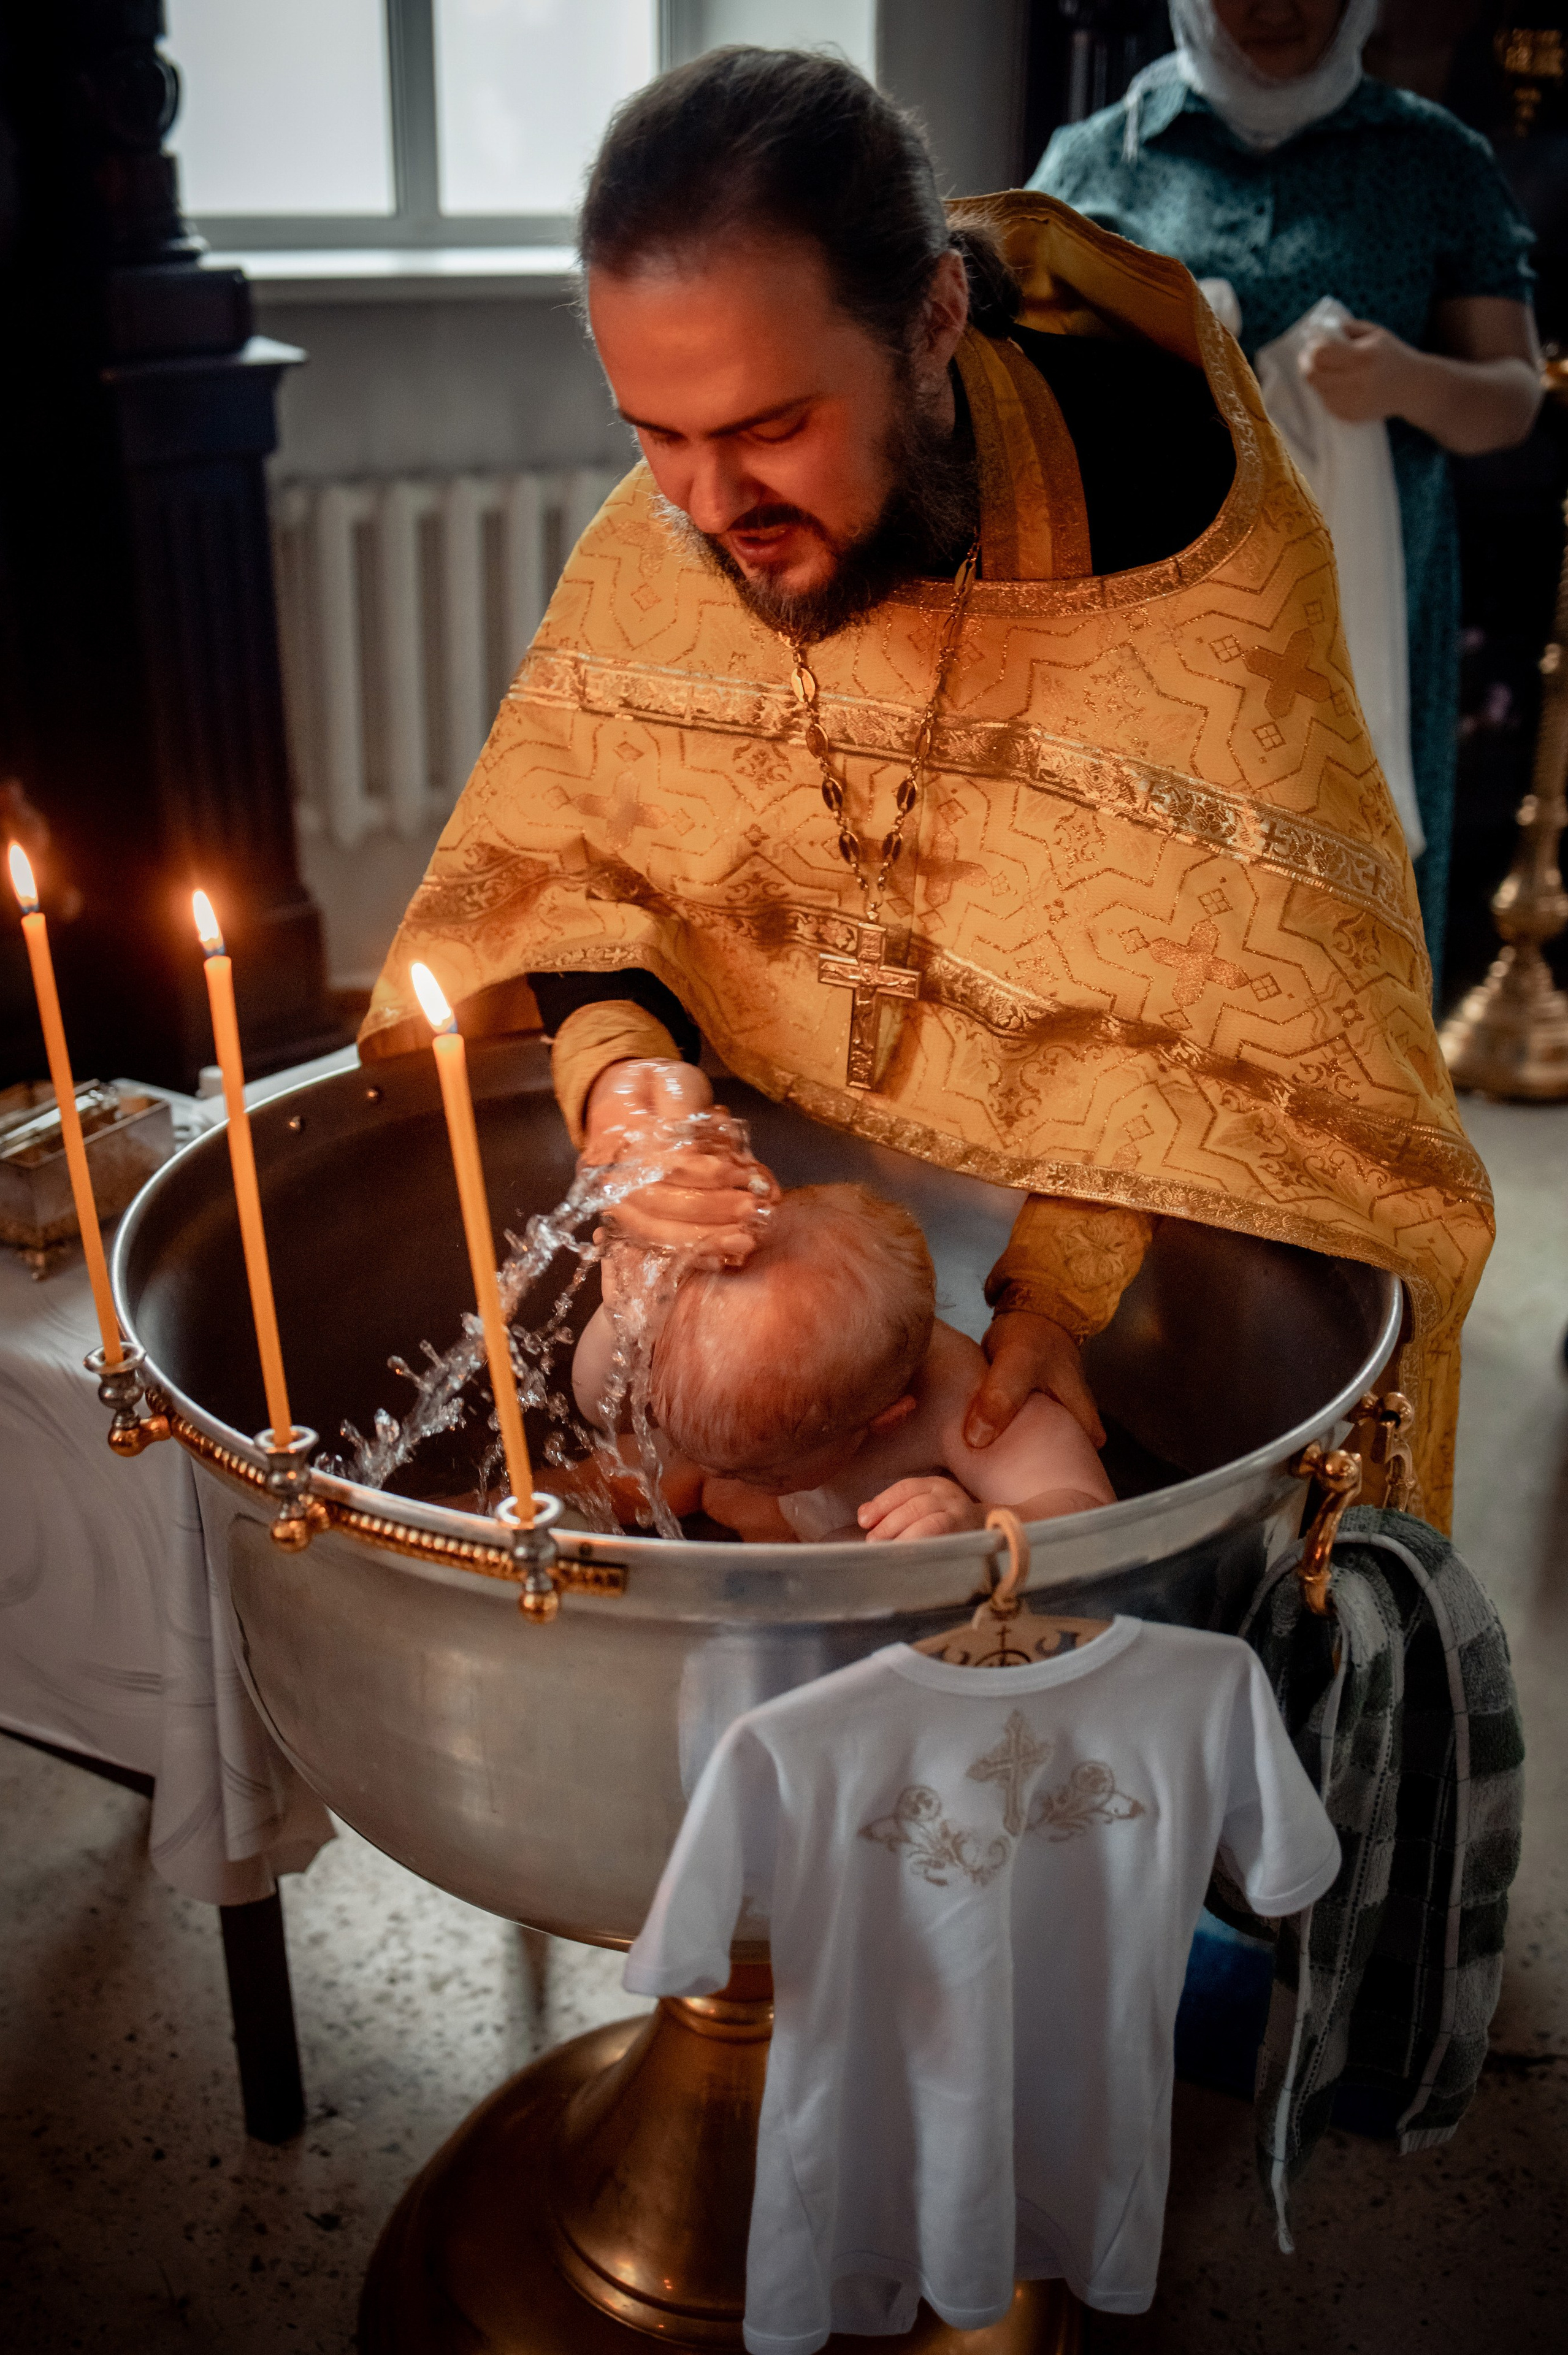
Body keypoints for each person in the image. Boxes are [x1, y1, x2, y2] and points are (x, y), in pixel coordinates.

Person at [359, 45, 1493, 1526]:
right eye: (656, 438)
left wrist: (1053, 1307)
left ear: (932, 322)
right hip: (794, 1260)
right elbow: (573, 871)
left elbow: (1237, 1039)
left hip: (1096, 1247)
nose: (708, 511)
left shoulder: (1176, 526)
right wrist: (624, 1081)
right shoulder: (678, 524)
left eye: (771, 429)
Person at [1031, 0, 1542, 992]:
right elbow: (1013, 393)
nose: (1273, 7)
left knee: (1347, 949)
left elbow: (1512, 399)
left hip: (1363, 636)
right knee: (1155, 938)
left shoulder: (1436, 162)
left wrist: (1406, 382)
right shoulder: (1099, 162)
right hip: (1151, 635)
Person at [572, 1179, 1114, 1541]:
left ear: (889, 1417)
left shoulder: (971, 1407)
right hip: (799, 1503)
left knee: (859, 1549)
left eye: (767, 1470)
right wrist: (623, 1317)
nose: (726, 1469)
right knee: (663, 1472)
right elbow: (604, 1409)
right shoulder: (710, 1334)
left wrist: (982, 1523)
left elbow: (1092, 1515)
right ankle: (521, 1509)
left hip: (862, 1535)